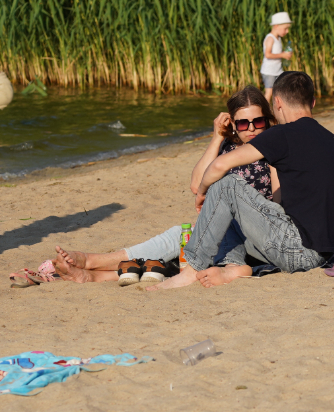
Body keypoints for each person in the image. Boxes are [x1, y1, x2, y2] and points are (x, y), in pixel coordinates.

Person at [48, 87, 281, 285]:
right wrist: (217, 137)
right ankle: (93, 273)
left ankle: (91, 261)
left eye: (258, 121)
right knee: (177, 246)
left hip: (252, 233)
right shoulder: (227, 146)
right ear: (233, 123)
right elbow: (196, 184)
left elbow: (278, 205)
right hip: (221, 227)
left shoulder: (273, 148)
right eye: (243, 123)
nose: (251, 129)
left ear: (267, 120)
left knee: (180, 238)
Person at [152, 71, 334, 290]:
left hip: (297, 251)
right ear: (313, 102)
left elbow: (220, 165)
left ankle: (192, 268)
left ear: (277, 102)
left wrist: (202, 193)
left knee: (227, 184)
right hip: (324, 253)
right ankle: (233, 265)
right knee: (229, 212)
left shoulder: (283, 134)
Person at [260, 12, 293, 101]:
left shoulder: (278, 38)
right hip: (269, 71)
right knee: (269, 92)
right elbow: (267, 54)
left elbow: (276, 53)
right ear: (276, 26)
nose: (287, 31)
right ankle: (263, 109)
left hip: (277, 70)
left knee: (280, 91)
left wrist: (285, 54)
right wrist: (282, 55)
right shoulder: (270, 38)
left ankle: (277, 108)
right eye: (285, 28)